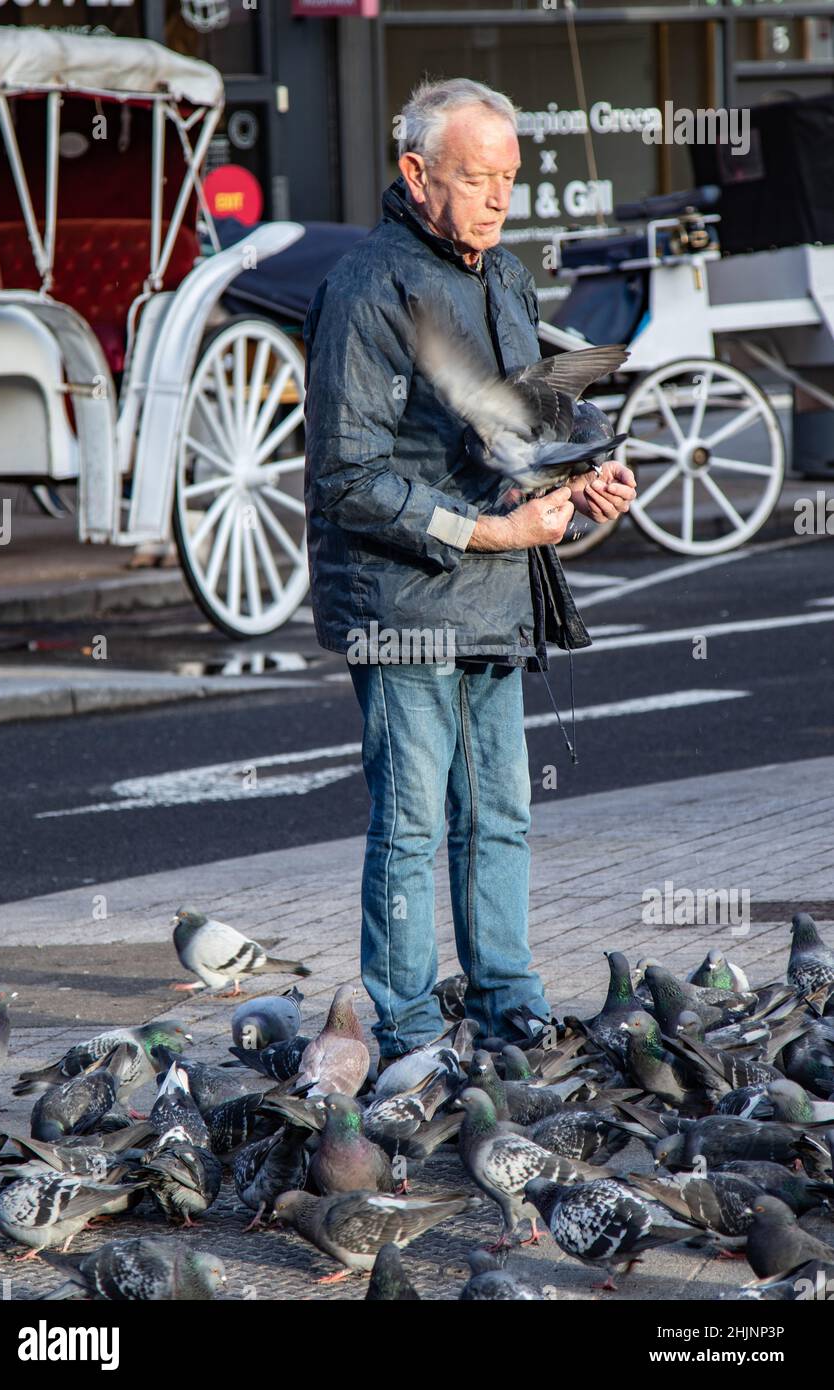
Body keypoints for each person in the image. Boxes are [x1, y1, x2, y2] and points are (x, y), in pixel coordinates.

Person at [303, 78, 636, 1062]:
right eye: (475, 178)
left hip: (490, 594)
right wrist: (490, 534)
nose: (498, 198)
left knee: (498, 811)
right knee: (410, 821)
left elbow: (518, 436)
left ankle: (507, 1004)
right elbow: (344, 479)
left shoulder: (505, 277)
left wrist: (581, 488)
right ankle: (407, 1030)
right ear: (415, 174)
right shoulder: (365, 287)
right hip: (401, 598)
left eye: (508, 179)